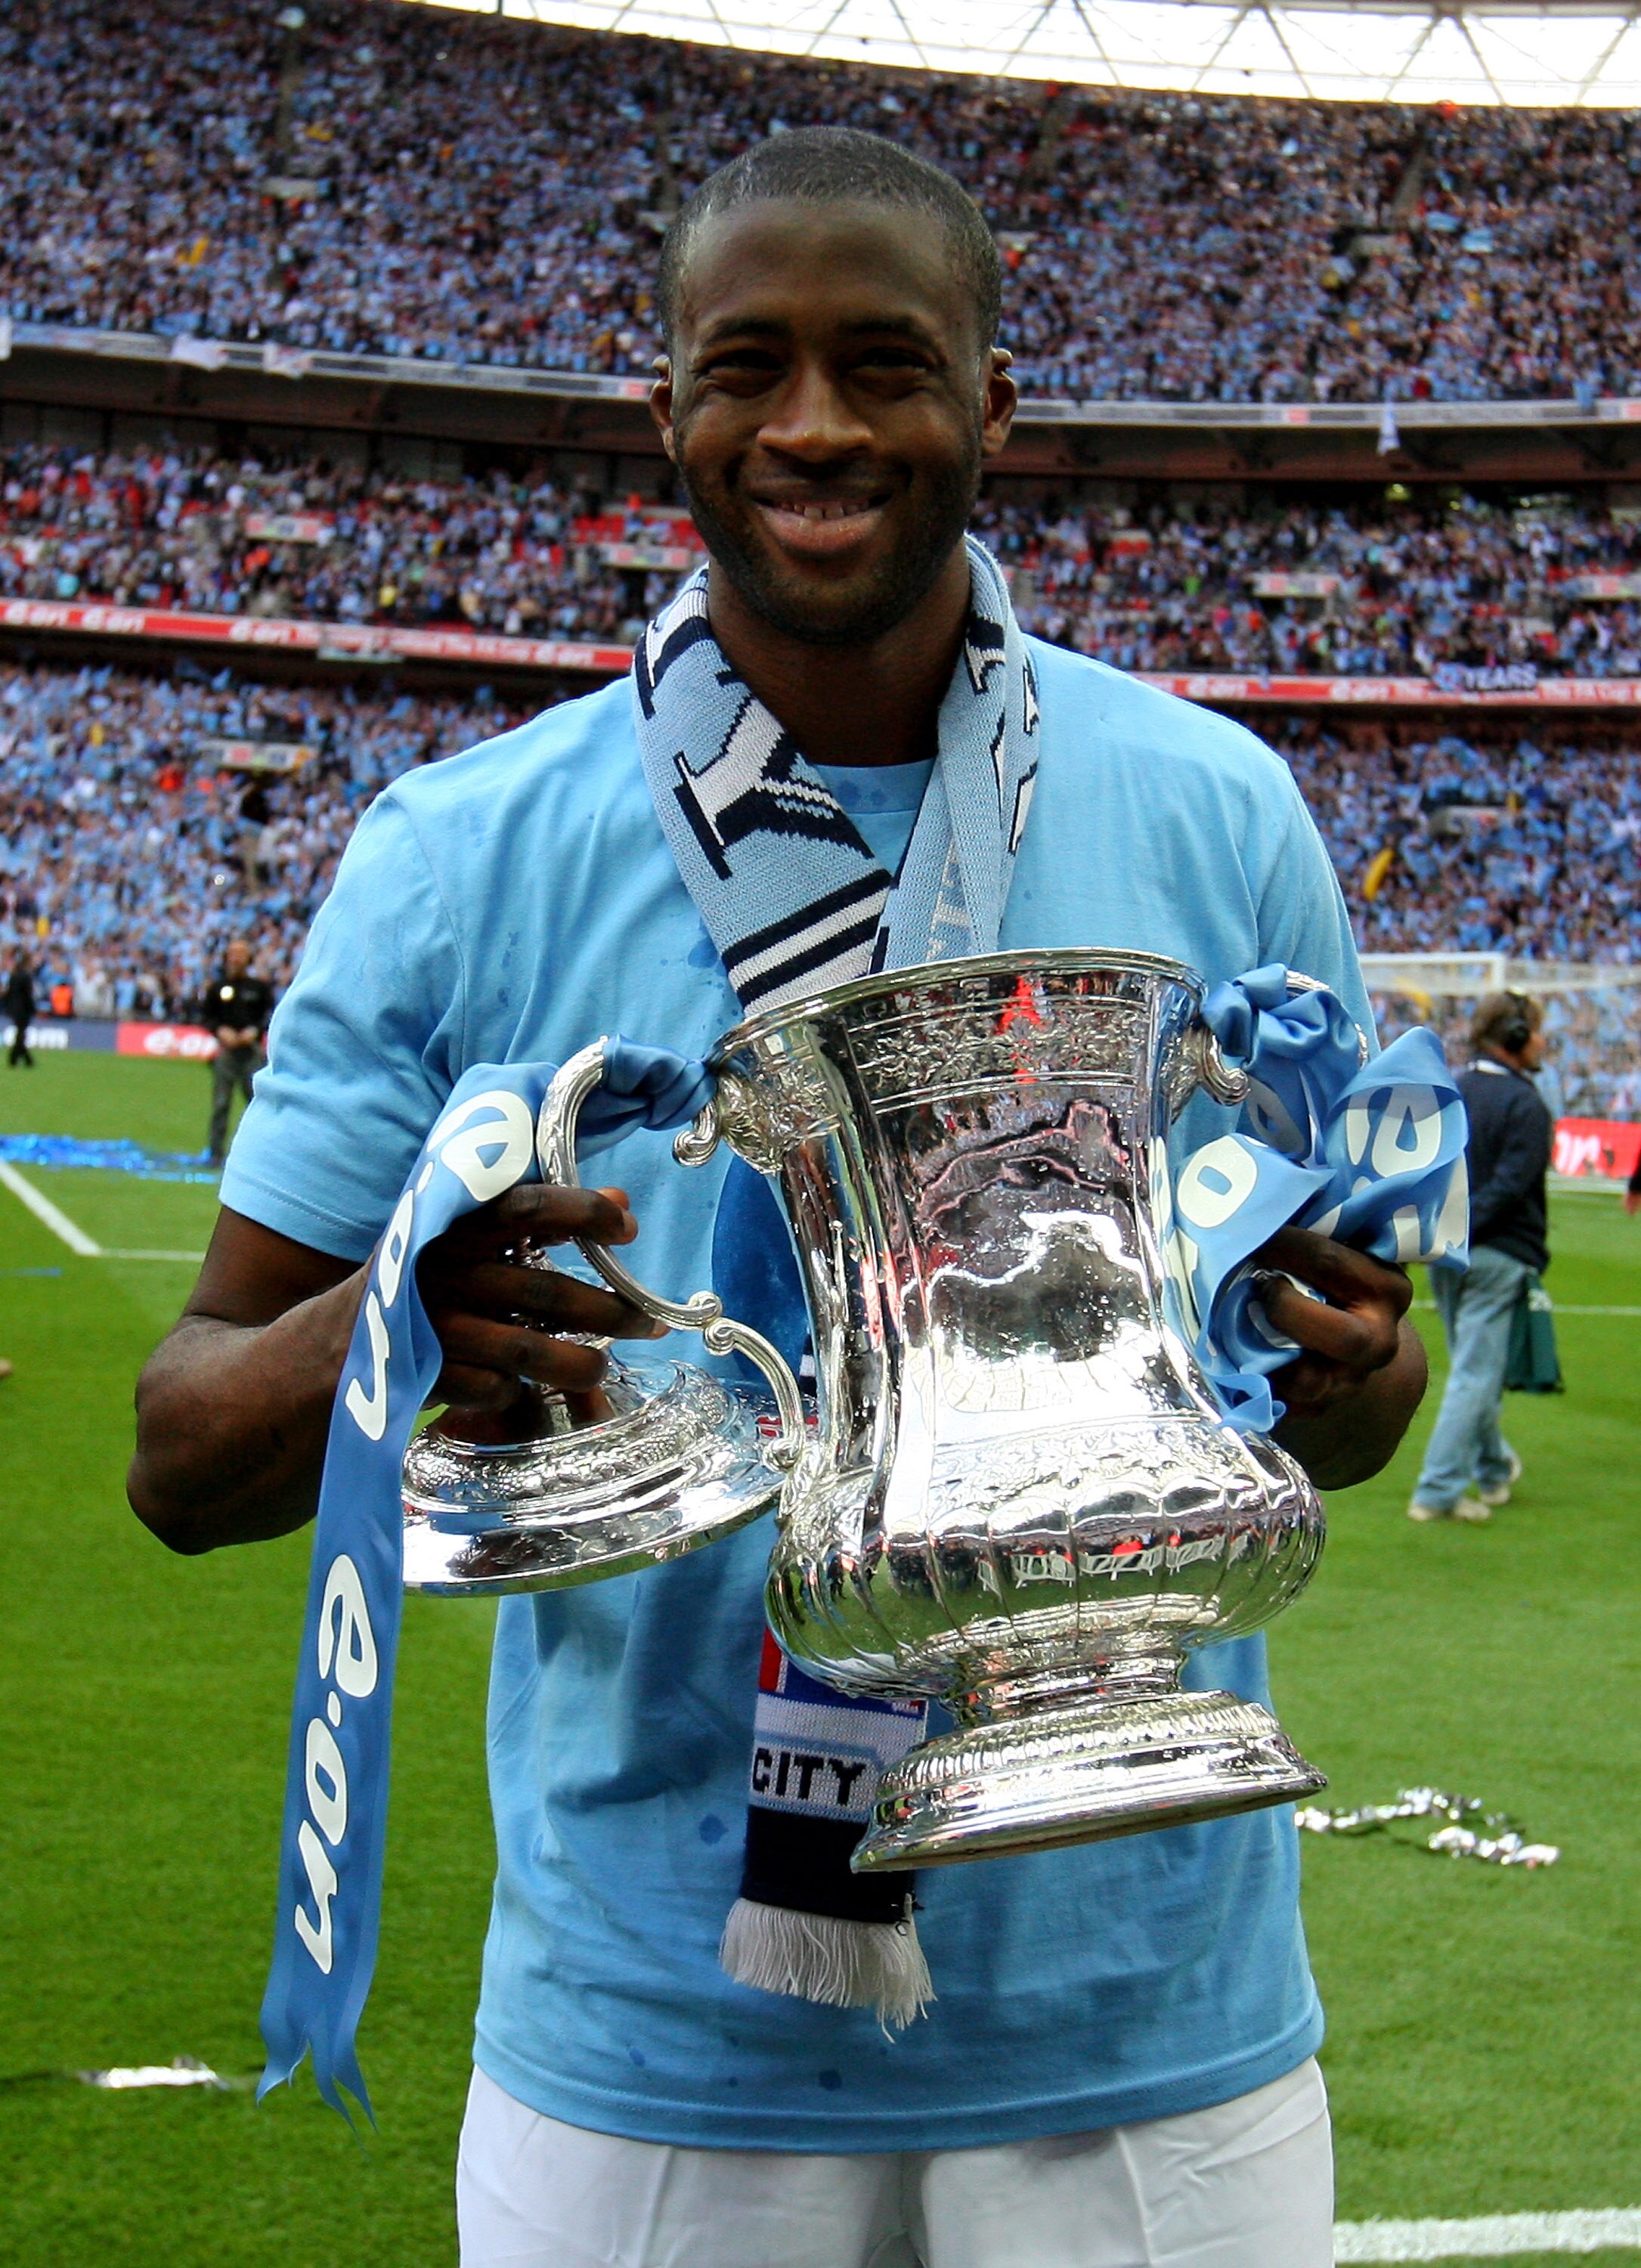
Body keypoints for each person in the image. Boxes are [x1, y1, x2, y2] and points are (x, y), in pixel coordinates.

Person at [128, 131, 1426, 2268]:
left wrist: (1357, 1374)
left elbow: (1335, 1390)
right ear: (668, 413)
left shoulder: (1217, 814)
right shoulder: (463, 851)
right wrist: (399, 1336)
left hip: (1152, 2033)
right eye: (749, 365)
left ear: (992, 409)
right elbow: (186, 1455)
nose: (814, 424)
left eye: (884, 364)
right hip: (657, 2053)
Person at [1409, 991, 1552, 1524]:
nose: (1541, 1040)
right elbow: (1513, 1186)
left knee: (1475, 1368)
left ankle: (1492, 1471)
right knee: (1474, 1373)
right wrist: (1471, 1227)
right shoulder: (1525, 1104)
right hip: (1498, 1252)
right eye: (1536, 1030)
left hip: (1447, 1252)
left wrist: (1442, 1232)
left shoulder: (1451, 1089)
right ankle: (1437, 1490)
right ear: (1514, 1037)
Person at [202, 939, 274, 1167]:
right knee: (221, 1103)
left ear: (248, 958)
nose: (235, 959)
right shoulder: (217, 988)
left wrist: (253, 1031)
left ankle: (258, 1153)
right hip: (226, 1051)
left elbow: (269, 1015)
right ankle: (215, 1152)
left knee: (256, 1103)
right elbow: (206, 1017)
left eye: (240, 954)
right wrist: (220, 1031)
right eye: (232, 954)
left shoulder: (259, 988)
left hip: (251, 1051)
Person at [3, 953, 35, 1068]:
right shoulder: (26, 976)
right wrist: (32, 1009)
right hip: (24, 1010)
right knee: (21, 1034)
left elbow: (9, 993)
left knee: (20, 1033)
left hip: (14, 1009)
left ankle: (23, 1059)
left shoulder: (14, 975)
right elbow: (28, 996)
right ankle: (17, 1058)